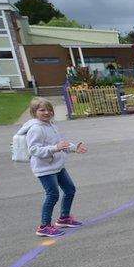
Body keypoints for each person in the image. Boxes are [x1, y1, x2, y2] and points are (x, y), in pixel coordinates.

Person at [23, 98, 87, 237]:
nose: (47, 112)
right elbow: (34, 150)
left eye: (49, 110)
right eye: (42, 110)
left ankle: (64, 218)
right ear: (34, 112)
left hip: (57, 166)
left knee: (70, 189)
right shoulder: (36, 129)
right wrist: (54, 148)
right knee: (52, 195)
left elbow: (60, 143)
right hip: (45, 168)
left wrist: (74, 148)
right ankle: (44, 226)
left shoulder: (50, 125)